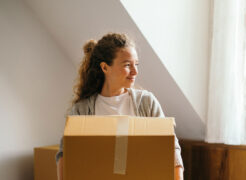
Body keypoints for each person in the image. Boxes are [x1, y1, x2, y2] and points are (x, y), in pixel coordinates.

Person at [55, 33, 184, 180]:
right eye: (127, 65)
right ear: (105, 67)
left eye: (136, 64)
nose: (135, 71)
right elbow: (65, 154)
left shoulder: (146, 103)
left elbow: (171, 147)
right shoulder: (82, 110)